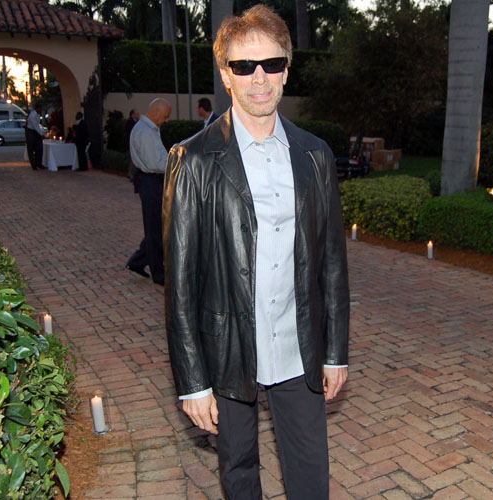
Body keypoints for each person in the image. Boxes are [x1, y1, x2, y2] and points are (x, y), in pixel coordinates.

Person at [163, 5, 349, 500]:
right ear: (226, 74)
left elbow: (332, 263)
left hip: (299, 342)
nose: (259, 78)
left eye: (271, 64)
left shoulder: (316, 155)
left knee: (311, 472)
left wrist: (335, 352)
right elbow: (179, 282)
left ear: (287, 68)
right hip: (227, 347)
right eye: (244, 66)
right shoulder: (194, 160)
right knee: (239, 472)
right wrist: (192, 380)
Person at [126, 98, 171, 285]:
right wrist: (176, 163)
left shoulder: (149, 129)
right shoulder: (144, 132)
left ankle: (137, 261)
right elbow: (154, 164)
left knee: (157, 226)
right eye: (166, 116)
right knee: (155, 229)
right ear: (157, 113)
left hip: (153, 182)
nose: (167, 120)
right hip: (150, 182)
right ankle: (158, 273)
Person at [25, 104, 46, 170]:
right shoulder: (32, 115)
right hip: (31, 132)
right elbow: (35, 126)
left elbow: (38, 125)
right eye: (40, 109)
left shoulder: (38, 115)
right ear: (37, 108)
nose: (41, 110)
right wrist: (41, 134)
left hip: (36, 132)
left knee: (39, 148)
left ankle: (39, 163)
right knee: (31, 149)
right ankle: (34, 165)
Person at [125, 108, 140, 184]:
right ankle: (131, 175)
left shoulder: (134, 122)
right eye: (137, 114)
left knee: (133, 160)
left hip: (133, 144)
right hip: (132, 145)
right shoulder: (130, 122)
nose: (138, 115)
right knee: (133, 160)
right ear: (133, 114)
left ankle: (132, 174)